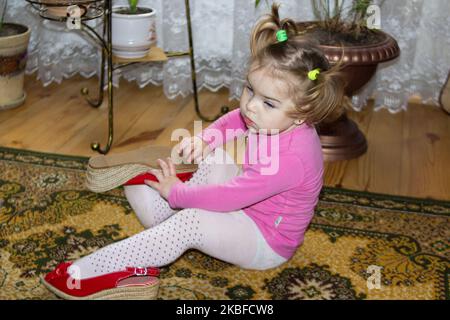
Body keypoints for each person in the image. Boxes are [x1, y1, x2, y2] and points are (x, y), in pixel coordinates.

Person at [42, 3, 345, 299]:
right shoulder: (272, 119)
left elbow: (231, 196)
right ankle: (168, 223)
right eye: (250, 89)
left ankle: (96, 270)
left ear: (303, 115)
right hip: (241, 209)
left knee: (191, 222)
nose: (251, 105)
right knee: (207, 160)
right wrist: (207, 138)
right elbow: (236, 120)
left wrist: (177, 193)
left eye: (268, 102)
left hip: (264, 242)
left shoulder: (290, 159)